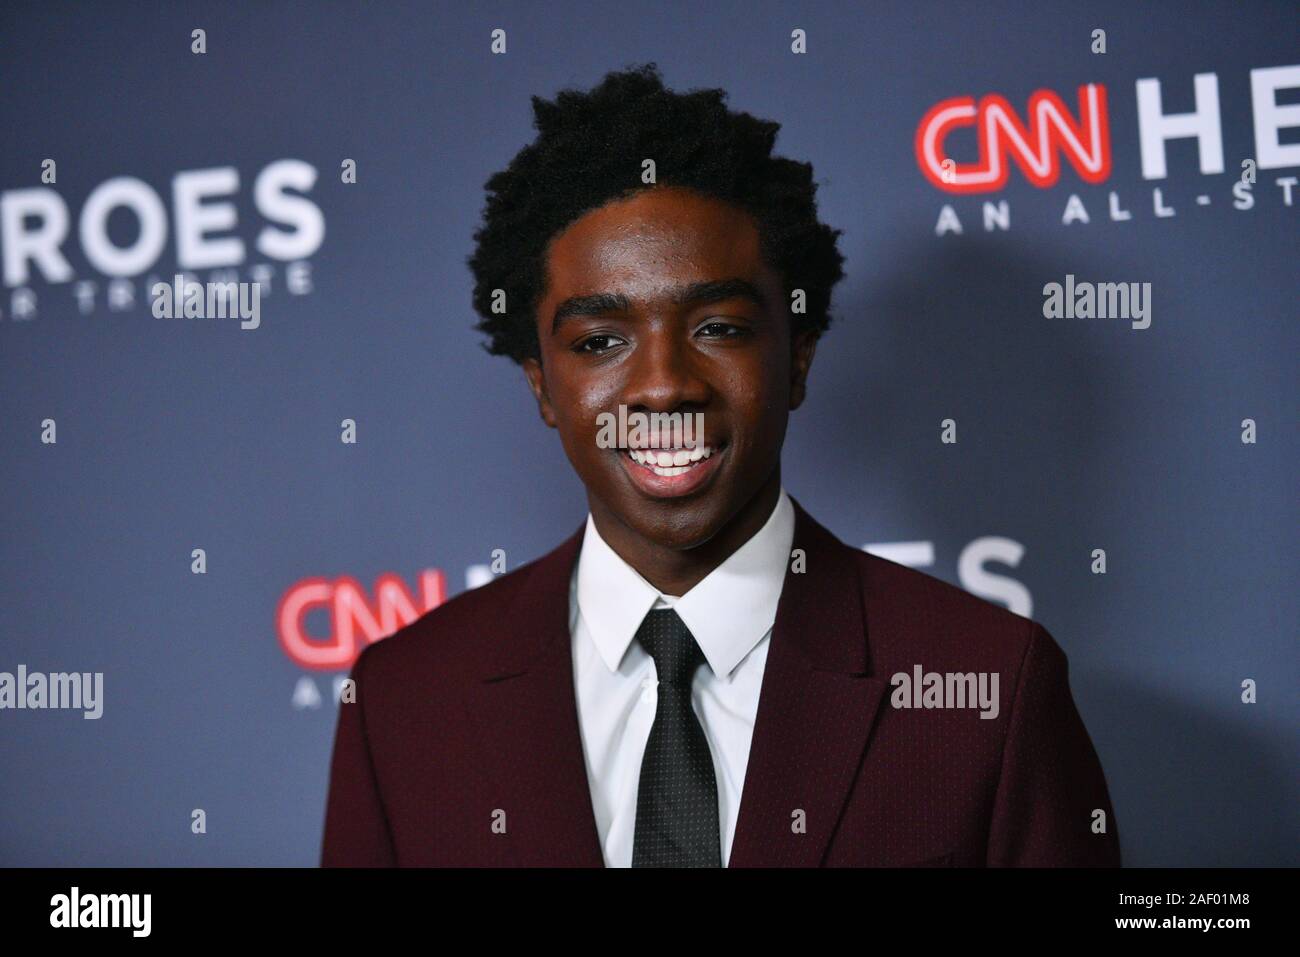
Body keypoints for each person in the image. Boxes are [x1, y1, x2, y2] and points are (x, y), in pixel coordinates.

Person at [321, 63, 1120, 867]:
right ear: (543, 385)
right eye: (600, 341)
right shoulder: (403, 703)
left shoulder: (987, 686)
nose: (665, 384)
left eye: (719, 328)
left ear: (798, 359)